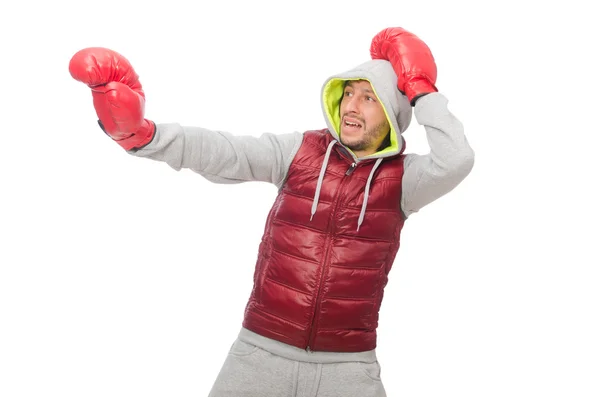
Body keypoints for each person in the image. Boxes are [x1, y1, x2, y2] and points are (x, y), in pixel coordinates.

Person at [69, 26, 474, 397]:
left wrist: (421, 89)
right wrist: (145, 135)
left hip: (348, 366)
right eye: (348, 92)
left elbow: (456, 159)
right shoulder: (299, 151)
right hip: (261, 351)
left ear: (392, 114)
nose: (352, 105)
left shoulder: (405, 179)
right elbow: (225, 152)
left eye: (369, 98)